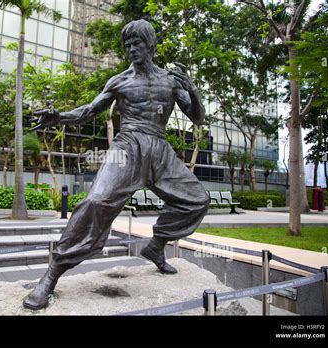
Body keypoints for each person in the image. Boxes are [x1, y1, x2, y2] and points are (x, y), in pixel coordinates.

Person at [23, 19, 209, 310]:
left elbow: (197, 118)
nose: (131, 48)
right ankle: (51, 275)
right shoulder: (119, 81)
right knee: (96, 201)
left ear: (151, 45)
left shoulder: (171, 81)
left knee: (197, 200)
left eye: (137, 43)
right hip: (128, 145)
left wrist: (194, 90)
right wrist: (58, 117)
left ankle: (156, 246)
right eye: (127, 45)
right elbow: (88, 111)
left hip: (159, 148)